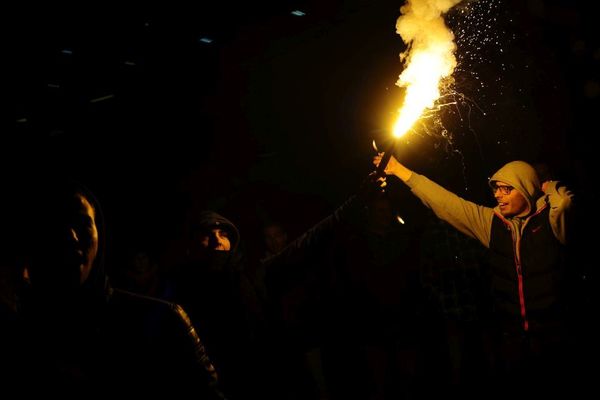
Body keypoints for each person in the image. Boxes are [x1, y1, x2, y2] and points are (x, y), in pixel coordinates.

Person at [373, 155, 580, 396]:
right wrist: (399, 170)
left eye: (506, 189)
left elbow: (565, 202)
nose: (498, 195)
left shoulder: (553, 221)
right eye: (496, 189)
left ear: (526, 189)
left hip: (554, 338)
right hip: (513, 340)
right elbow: (446, 203)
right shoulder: (492, 222)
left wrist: (548, 186)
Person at [2, 176, 225, 398]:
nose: (71, 237)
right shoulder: (16, 334)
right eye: (55, 224)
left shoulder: (167, 321)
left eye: (82, 222)